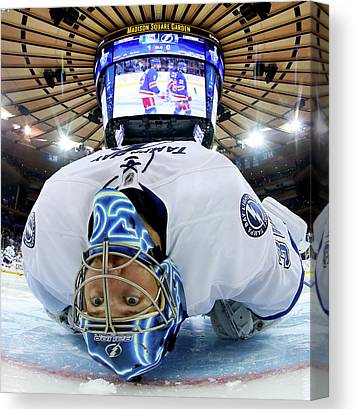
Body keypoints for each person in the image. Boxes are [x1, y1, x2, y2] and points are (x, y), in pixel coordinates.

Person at [22, 139, 307, 381]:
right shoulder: (223, 232)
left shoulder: (50, 243)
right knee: (236, 324)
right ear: (172, 292)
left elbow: (58, 304)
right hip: (209, 199)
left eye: (97, 302)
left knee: (69, 318)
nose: (110, 279)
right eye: (131, 301)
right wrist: (281, 233)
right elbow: (276, 295)